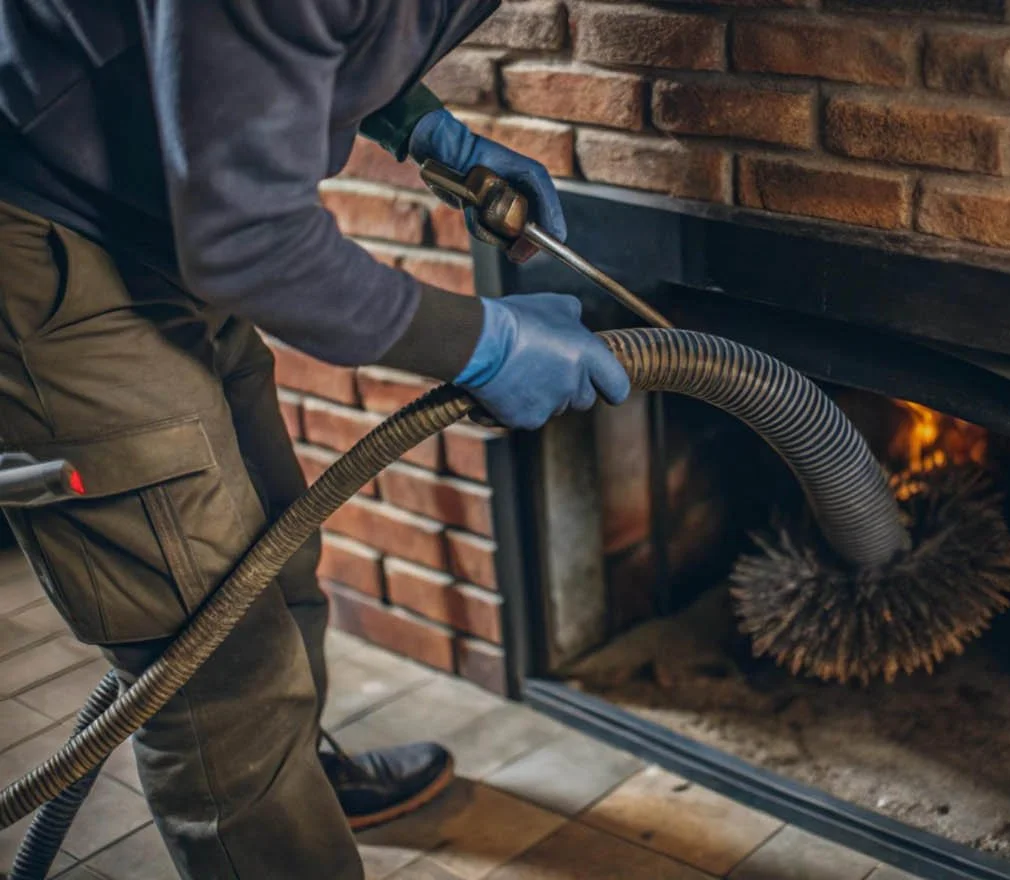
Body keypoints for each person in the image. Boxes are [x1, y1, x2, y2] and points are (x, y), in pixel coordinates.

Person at [0, 2, 627, 877]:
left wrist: (419, 122)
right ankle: (267, 817)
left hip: (159, 204)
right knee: (219, 674)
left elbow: (277, 52)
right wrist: (485, 344)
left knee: (274, 553)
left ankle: (298, 791)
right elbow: (251, 243)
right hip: (43, 232)